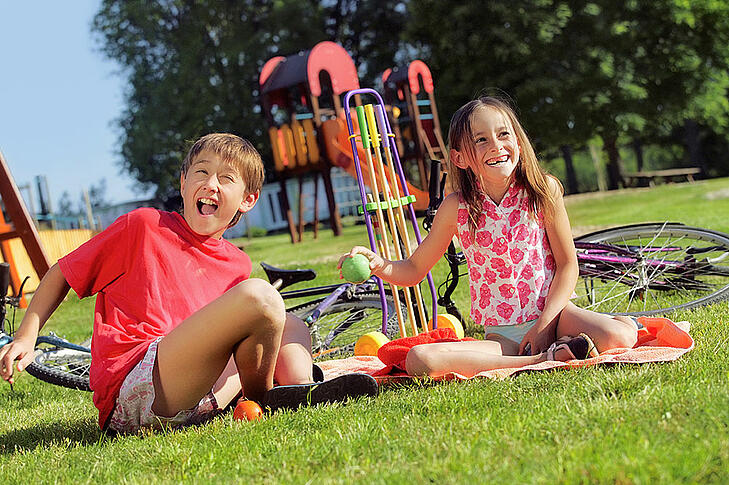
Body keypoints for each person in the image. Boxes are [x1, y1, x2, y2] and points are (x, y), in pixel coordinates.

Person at [0, 133, 377, 433]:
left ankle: (299, 391)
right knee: (262, 298)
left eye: (225, 179)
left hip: (199, 393)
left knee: (291, 324)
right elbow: (62, 273)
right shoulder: (144, 226)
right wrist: (26, 336)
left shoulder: (237, 262)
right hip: (136, 391)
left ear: (247, 200)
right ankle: (267, 398)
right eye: (201, 172)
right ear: (183, 182)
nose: (210, 184)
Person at [340, 96, 638, 378]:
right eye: (481, 140)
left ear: (518, 142)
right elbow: (414, 271)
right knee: (420, 359)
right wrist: (379, 265)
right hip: (504, 336)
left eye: (503, 134)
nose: (496, 146)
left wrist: (545, 325)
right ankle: (539, 359)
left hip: (558, 317)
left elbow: (567, 265)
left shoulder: (543, 190)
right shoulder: (456, 207)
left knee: (619, 336)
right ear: (458, 158)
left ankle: (559, 345)